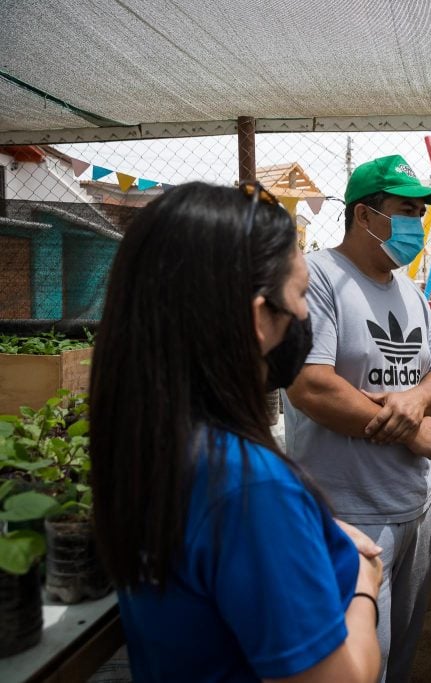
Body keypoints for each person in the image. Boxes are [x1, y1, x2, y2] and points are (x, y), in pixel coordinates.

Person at [89, 182, 384, 682]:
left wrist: (305, 533)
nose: (306, 314)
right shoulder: (252, 488)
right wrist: (363, 583)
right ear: (258, 320)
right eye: (300, 293)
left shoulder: (153, 443)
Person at [284, 155, 431, 682]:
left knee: (399, 657)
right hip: (349, 516)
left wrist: (412, 400)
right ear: (365, 216)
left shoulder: (409, 291)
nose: (417, 226)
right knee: (359, 666)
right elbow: (311, 384)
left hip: (414, 509)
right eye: (407, 210)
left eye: (421, 214)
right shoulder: (319, 278)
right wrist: (414, 424)